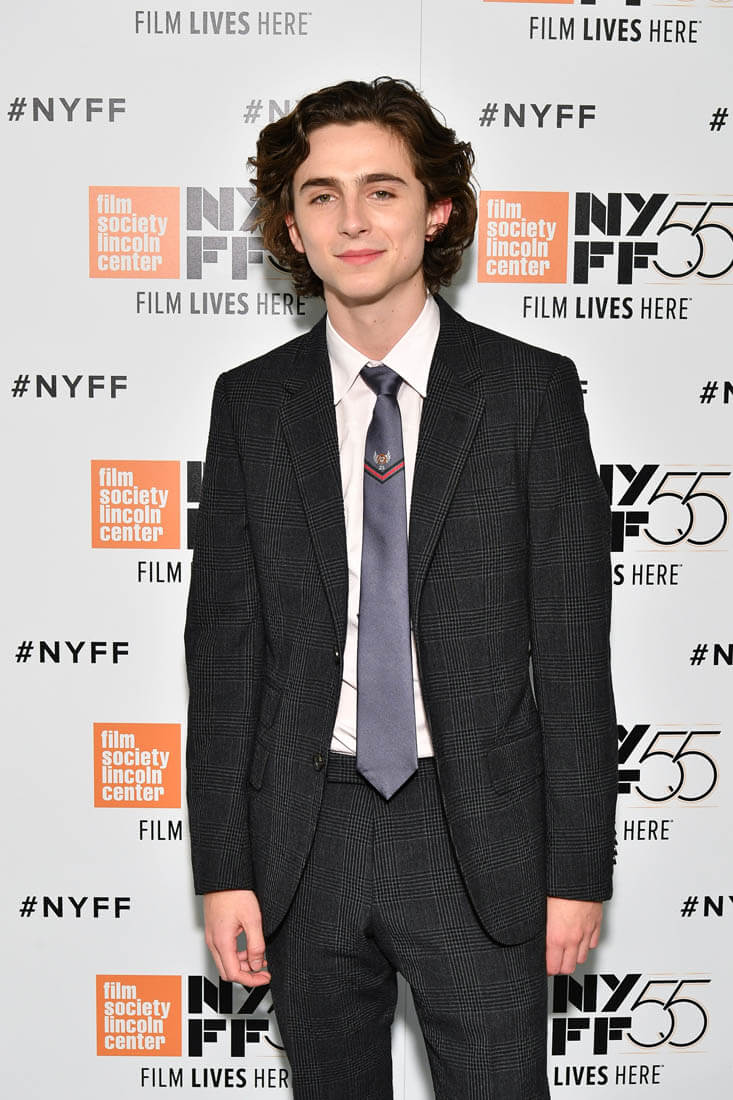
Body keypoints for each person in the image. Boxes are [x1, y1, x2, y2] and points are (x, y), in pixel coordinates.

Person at [185, 76, 618, 1100]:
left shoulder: (529, 392)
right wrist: (223, 867)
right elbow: (225, 659)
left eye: (381, 190)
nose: (352, 219)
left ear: (436, 210)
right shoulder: (250, 405)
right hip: (306, 834)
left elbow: (571, 652)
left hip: (478, 839)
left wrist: (577, 871)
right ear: (292, 228)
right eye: (321, 195)